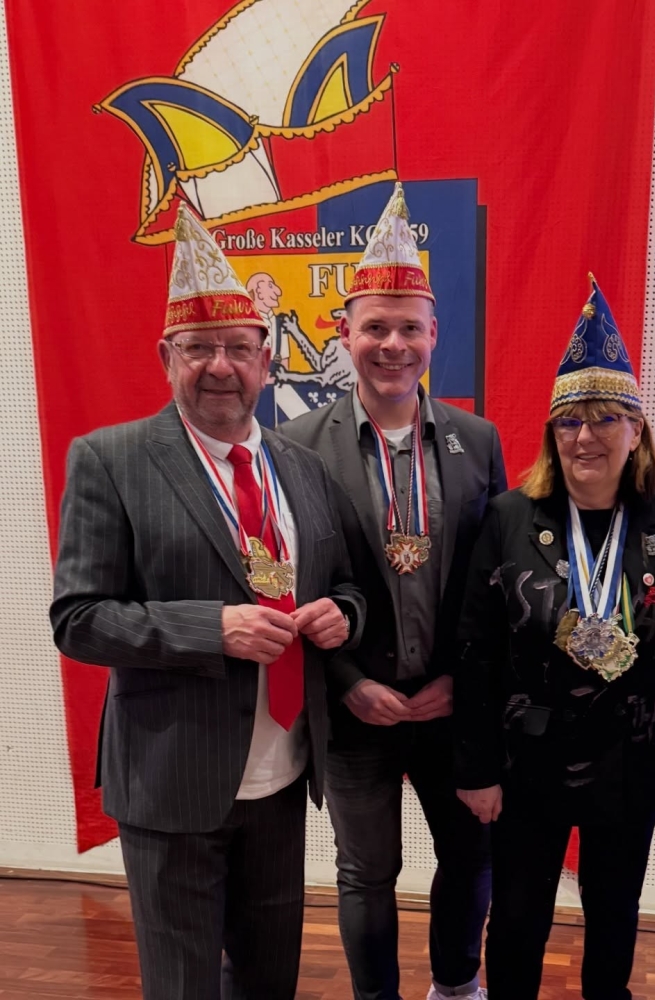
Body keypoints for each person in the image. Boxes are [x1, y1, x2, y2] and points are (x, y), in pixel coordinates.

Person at [50, 203, 365, 1000]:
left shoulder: (302, 468)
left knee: (268, 980)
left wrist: (345, 615)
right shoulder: (111, 460)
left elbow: (345, 583)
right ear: (167, 358)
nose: (220, 366)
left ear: (266, 359)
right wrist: (211, 628)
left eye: (237, 348)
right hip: (172, 778)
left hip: (283, 774)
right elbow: (79, 620)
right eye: (199, 348)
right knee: (183, 985)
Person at [454, 275, 655, 1000]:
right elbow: (473, 648)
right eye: (569, 421)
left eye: (605, 419)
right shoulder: (509, 515)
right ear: (551, 433)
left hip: (633, 755)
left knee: (615, 908)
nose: (585, 436)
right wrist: (474, 767)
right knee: (518, 915)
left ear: (637, 430)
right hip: (528, 754)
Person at [280, 182, 504, 1000]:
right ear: (344, 333)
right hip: (355, 709)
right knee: (366, 871)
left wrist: (461, 682)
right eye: (375, 327)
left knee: (470, 854)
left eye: (410, 328)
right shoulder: (293, 445)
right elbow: (289, 584)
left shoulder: (479, 440)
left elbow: (493, 579)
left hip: (452, 704)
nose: (393, 344)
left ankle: (456, 985)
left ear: (435, 335)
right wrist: (348, 682)